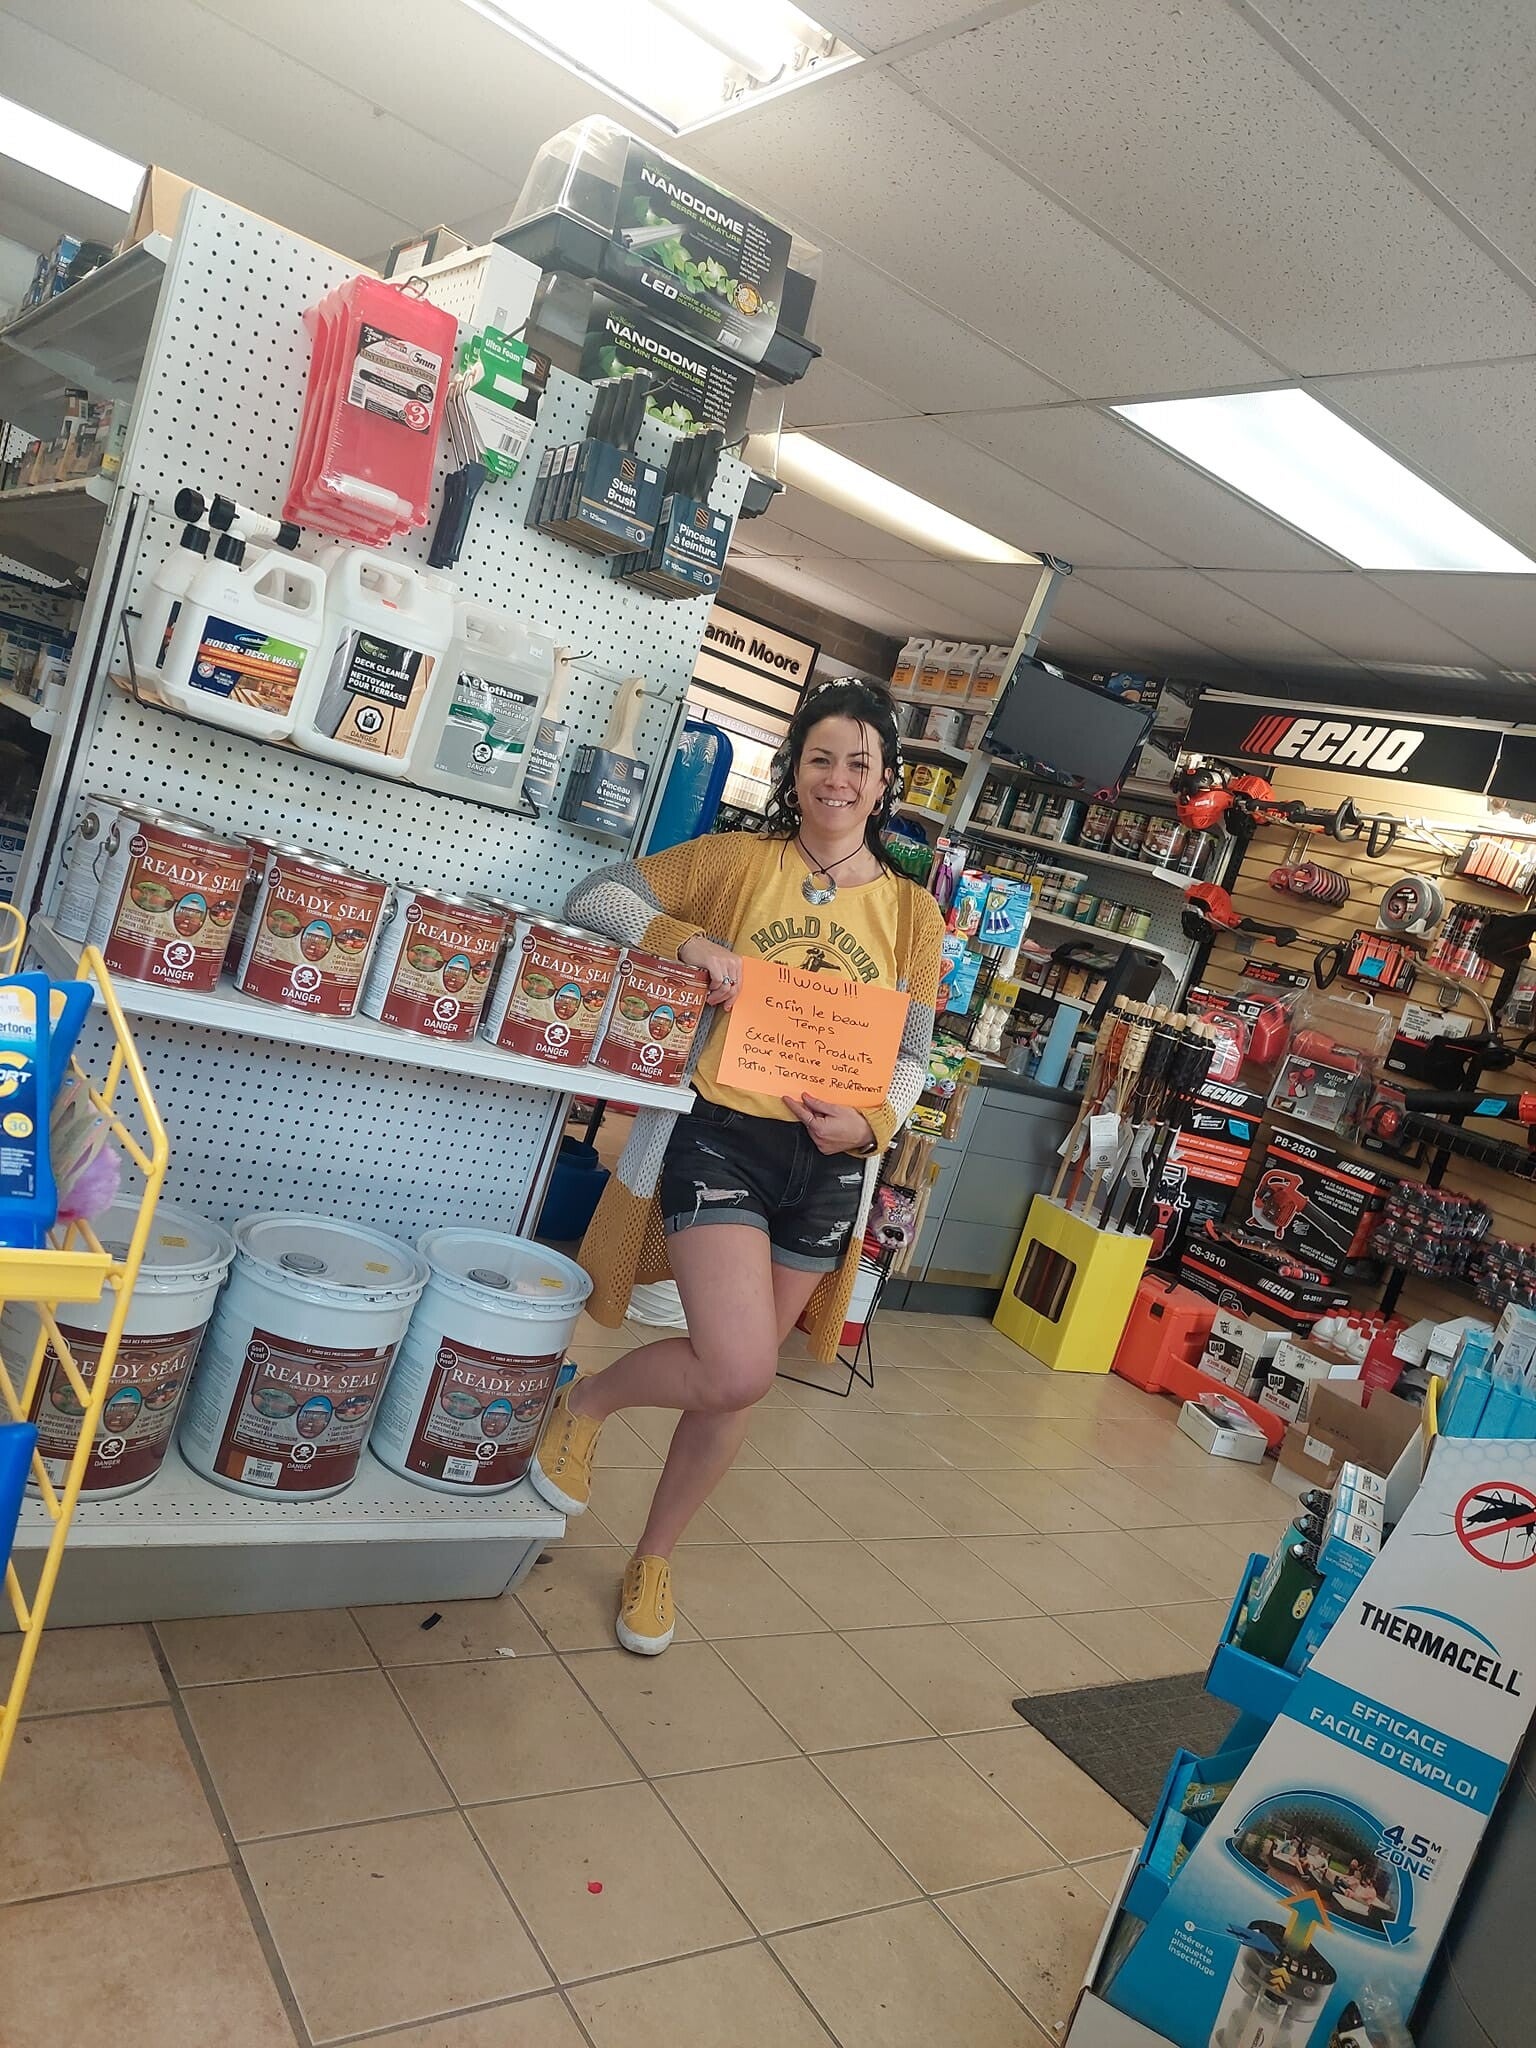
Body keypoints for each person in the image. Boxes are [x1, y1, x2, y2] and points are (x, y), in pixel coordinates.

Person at [527, 678, 945, 1654]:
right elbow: (595, 897)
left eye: (859, 763)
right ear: (794, 771)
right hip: (722, 1136)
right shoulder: (735, 860)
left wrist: (873, 1119)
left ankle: (654, 1556)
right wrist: (689, 941)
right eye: (821, 758)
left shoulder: (913, 915)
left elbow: (914, 1051)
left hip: (828, 1166)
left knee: (738, 1386)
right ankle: (585, 1402)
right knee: (739, 1361)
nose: (838, 778)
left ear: (885, 780)